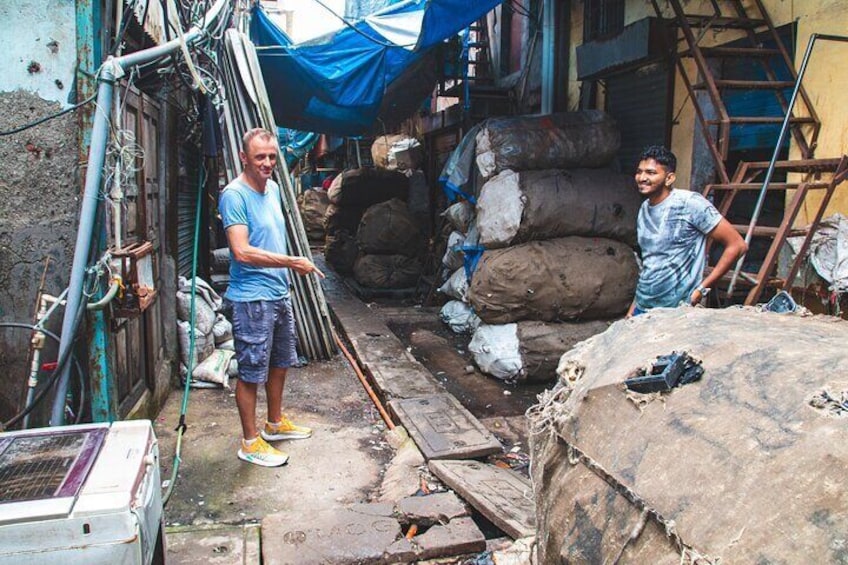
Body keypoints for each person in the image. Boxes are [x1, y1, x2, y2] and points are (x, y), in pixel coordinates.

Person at [219, 128, 325, 467]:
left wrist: (286, 271)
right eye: (260, 157)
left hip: (279, 293)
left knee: (280, 363)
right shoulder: (234, 195)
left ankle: (274, 424)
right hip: (252, 299)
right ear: (244, 158)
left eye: (271, 157)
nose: (267, 163)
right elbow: (241, 251)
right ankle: (250, 442)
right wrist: (292, 262)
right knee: (252, 373)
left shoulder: (275, 188)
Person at [627, 145, 747, 317]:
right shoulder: (645, 208)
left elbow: (737, 245)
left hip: (676, 311)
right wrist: (634, 309)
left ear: (669, 178)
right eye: (639, 172)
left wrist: (701, 290)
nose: (642, 178)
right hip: (644, 306)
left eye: (651, 173)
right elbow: (651, 262)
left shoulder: (690, 204)